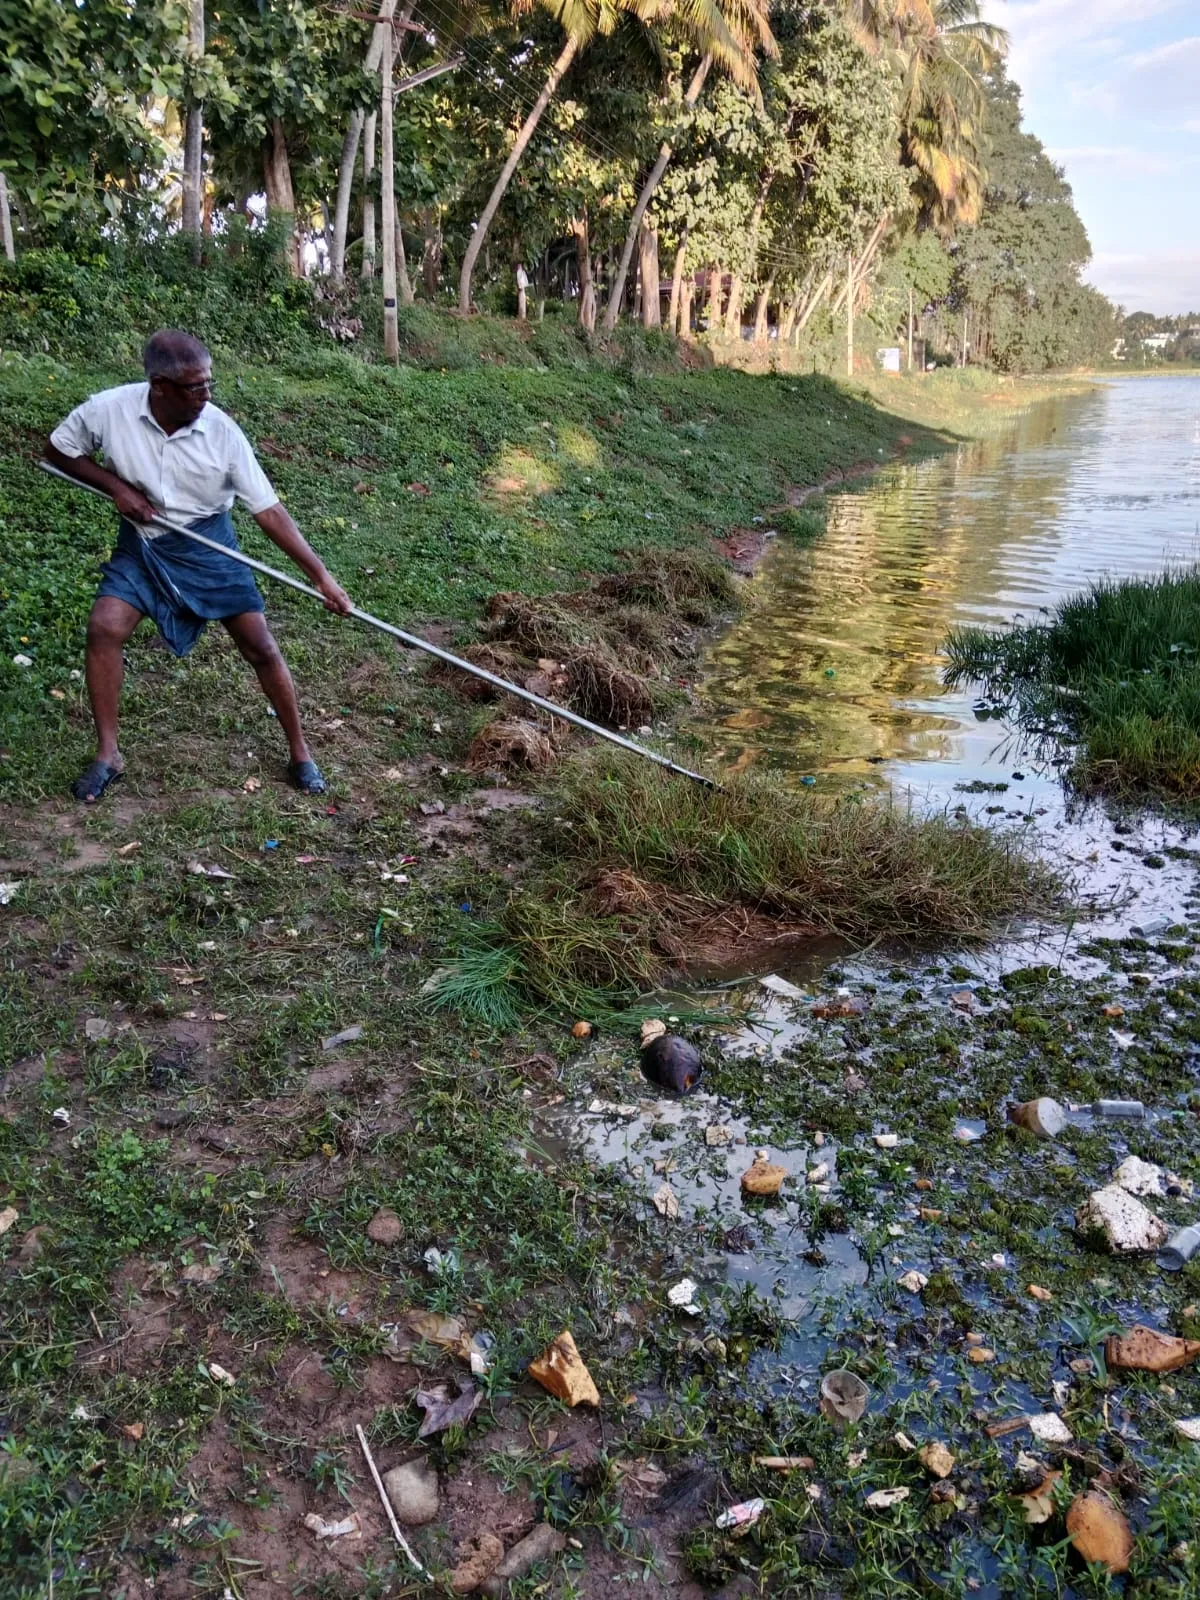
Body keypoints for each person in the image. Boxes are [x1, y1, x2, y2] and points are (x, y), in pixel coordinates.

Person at [45, 328, 352, 804]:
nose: (206, 395)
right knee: (104, 627)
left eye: (209, 383)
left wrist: (321, 576)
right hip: (143, 545)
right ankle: (108, 755)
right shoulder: (109, 409)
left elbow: (269, 511)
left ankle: (299, 750)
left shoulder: (222, 432)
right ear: (159, 387)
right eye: (194, 387)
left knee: (261, 646)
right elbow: (58, 449)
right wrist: (116, 487)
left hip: (210, 545)